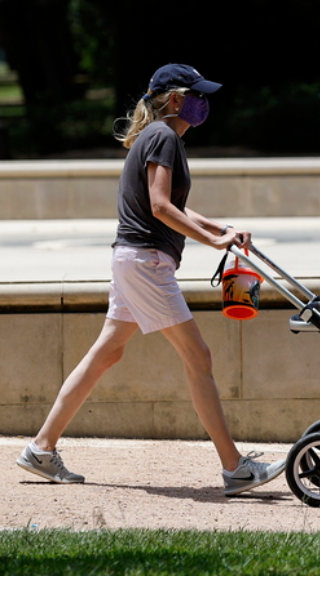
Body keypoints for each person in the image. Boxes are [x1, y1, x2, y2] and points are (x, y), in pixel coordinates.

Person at [17, 63, 286, 496]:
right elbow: (161, 207)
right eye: (198, 94)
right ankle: (235, 468)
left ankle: (41, 449)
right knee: (198, 356)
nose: (205, 102)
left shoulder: (159, 138)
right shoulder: (163, 136)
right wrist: (214, 243)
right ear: (176, 99)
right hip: (146, 262)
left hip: (132, 259)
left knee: (106, 355)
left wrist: (219, 230)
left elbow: (170, 205)